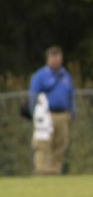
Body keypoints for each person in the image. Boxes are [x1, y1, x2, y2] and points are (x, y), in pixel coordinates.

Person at [27, 46, 75, 175]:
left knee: (60, 143)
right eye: (53, 57)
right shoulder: (40, 76)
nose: (56, 60)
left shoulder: (65, 76)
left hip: (62, 114)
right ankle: (42, 170)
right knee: (43, 143)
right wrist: (34, 114)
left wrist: (72, 112)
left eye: (58, 56)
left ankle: (55, 170)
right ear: (48, 58)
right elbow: (33, 95)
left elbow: (71, 95)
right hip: (45, 115)